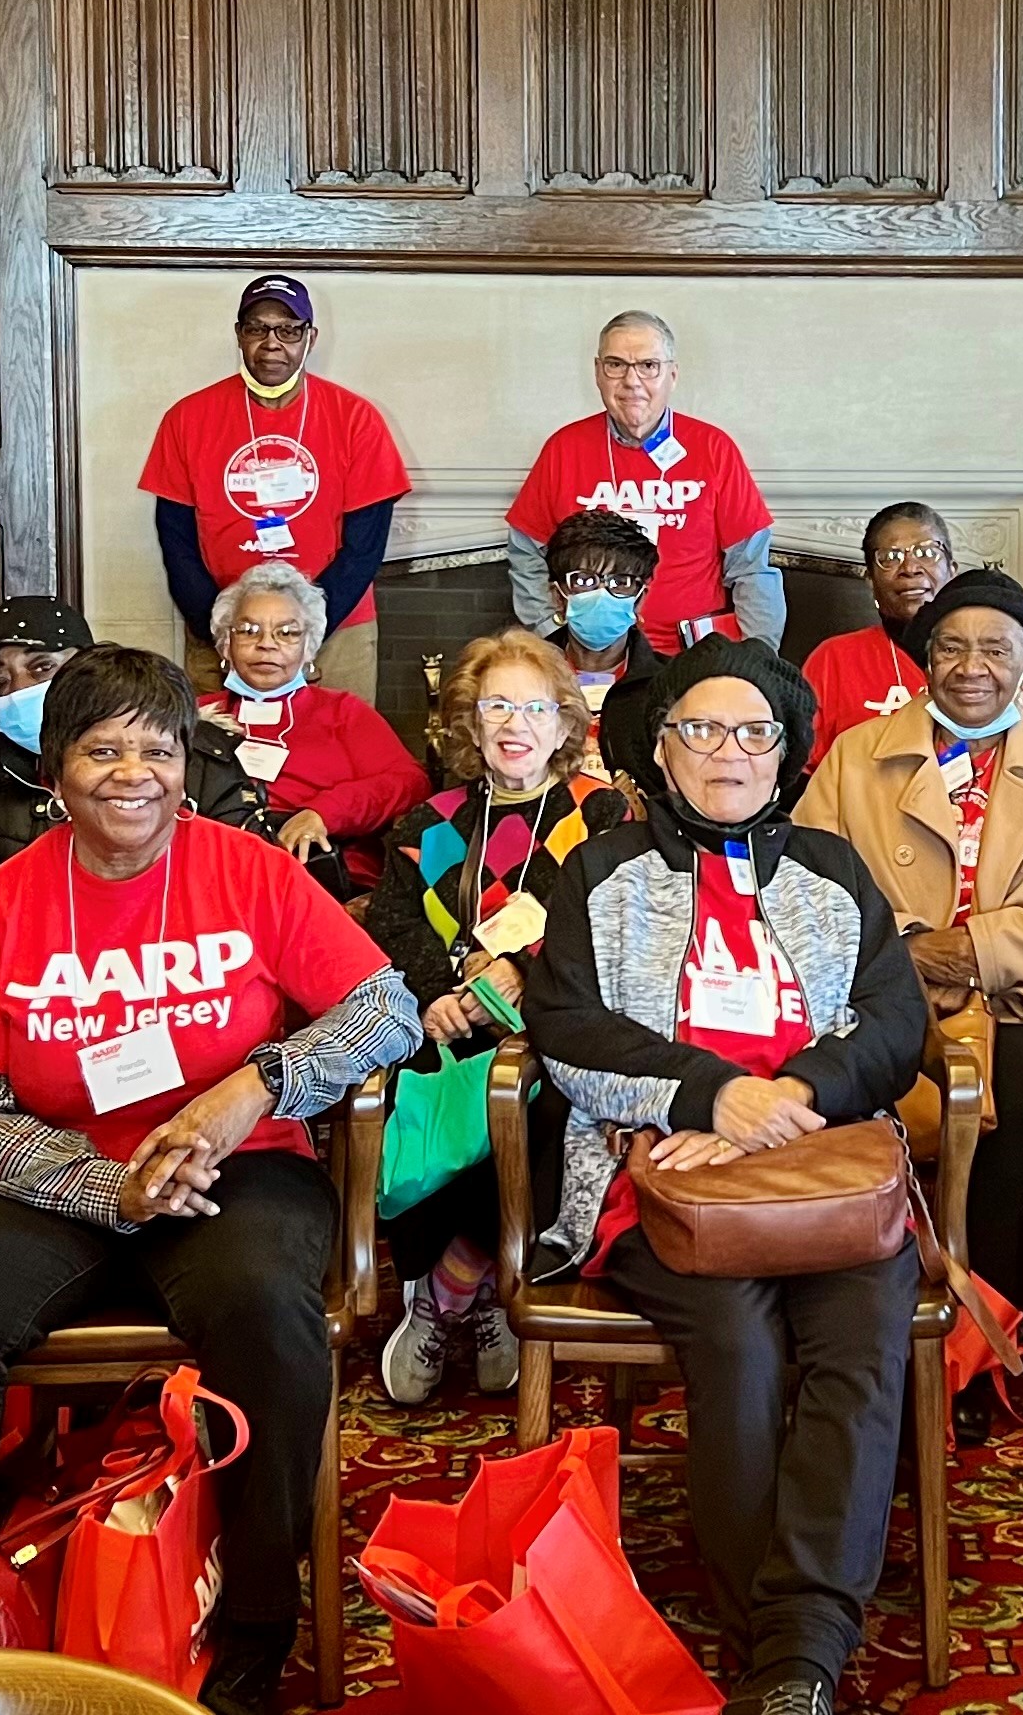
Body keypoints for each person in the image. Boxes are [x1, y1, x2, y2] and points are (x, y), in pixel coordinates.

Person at [0, 646, 421, 1711]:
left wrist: (254, 1088)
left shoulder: (249, 867)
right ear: (54, 768)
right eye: (102, 748)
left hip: (236, 1172)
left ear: (187, 762)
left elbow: (386, 1006)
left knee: (268, 1315)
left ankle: (254, 1630)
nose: (133, 772)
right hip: (57, 1173)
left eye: (157, 748)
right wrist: (101, 1186)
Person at [515, 637, 927, 1715]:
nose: (728, 752)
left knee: (858, 1346)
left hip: (821, 1172)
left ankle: (800, 1653)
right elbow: (562, 1027)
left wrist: (783, 1102)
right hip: (652, 1176)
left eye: (755, 732)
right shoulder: (601, 871)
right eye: (701, 728)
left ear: (788, 753)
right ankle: (773, 1638)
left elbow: (894, 1024)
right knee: (740, 1346)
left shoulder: (833, 868)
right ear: (660, 749)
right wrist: (710, 1098)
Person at [796, 569, 1023, 1348]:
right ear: (926, 657)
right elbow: (803, 890)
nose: (972, 665)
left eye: (997, 648)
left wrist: (979, 950)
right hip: (881, 999)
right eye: (952, 645)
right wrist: (901, 955)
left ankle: (981, 1323)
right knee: (848, 1081)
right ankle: (863, 1316)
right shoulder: (857, 754)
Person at [357, 630, 629, 1405]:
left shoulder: (598, 810)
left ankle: (459, 1280)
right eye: (496, 705)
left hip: (550, 1015)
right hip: (444, 1022)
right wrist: (438, 991)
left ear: (564, 723)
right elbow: (391, 927)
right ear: (470, 725)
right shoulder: (427, 822)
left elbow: (606, 919)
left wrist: (521, 967)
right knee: (408, 1076)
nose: (515, 722)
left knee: (533, 1086)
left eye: (534, 705)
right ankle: (437, 1283)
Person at [0, 597, 263, 1059]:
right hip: (37, 1016)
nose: (19, 691)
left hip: (195, 997)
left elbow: (253, 912)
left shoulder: (194, 754)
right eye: (1, 681)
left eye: (41, 668)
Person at [143, 273, 411, 697]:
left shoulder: (356, 418)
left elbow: (365, 548)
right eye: (257, 328)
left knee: (334, 756)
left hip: (335, 631)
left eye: (288, 330)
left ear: (310, 337)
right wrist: (224, 629)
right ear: (238, 335)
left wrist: (305, 631)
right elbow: (176, 542)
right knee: (219, 756)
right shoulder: (187, 418)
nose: (272, 342)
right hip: (223, 630)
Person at [502, 311, 781, 650]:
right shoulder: (564, 448)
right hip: (593, 653)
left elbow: (751, 570)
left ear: (672, 374)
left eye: (649, 366)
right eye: (616, 365)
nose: (632, 381)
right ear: (597, 373)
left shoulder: (713, 448)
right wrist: (550, 635)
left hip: (696, 652)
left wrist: (756, 657)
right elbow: (525, 554)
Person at [197, 560, 427, 890]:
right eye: (249, 630)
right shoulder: (195, 714)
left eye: (287, 632)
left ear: (309, 648)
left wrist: (324, 813)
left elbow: (411, 783)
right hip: (220, 871)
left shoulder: (342, 712)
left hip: (319, 875)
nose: (267, 643)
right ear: (225, 645)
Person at [796, 503, 1023, 764]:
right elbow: (801, 772)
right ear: (870, 580)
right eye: (890, 558)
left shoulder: (1018, 661)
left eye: (927, 553)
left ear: (952, 571)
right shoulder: (833, 659)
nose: (911, 569)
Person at [537, 507, 664, 735]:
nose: (602, 594)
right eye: (584, 581)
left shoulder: (669, 683)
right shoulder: (527, 674)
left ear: (639, 600)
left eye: (620, 582)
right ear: (558, 596)